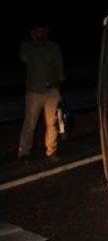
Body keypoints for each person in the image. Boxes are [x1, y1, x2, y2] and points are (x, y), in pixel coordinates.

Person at [17, 23, 65, 161]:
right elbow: (23, 57)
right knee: (30, 123)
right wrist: (35, 41)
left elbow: (59, 65)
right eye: (36, 30)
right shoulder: (28, 46)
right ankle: (23, 152)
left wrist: (60, 84)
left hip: (52, 90)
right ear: (32, 32)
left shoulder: (54, 47)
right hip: (34, 91)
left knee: (52, 122)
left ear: (46, 31)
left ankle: (51, 151)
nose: (39, 33)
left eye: (41, 30)